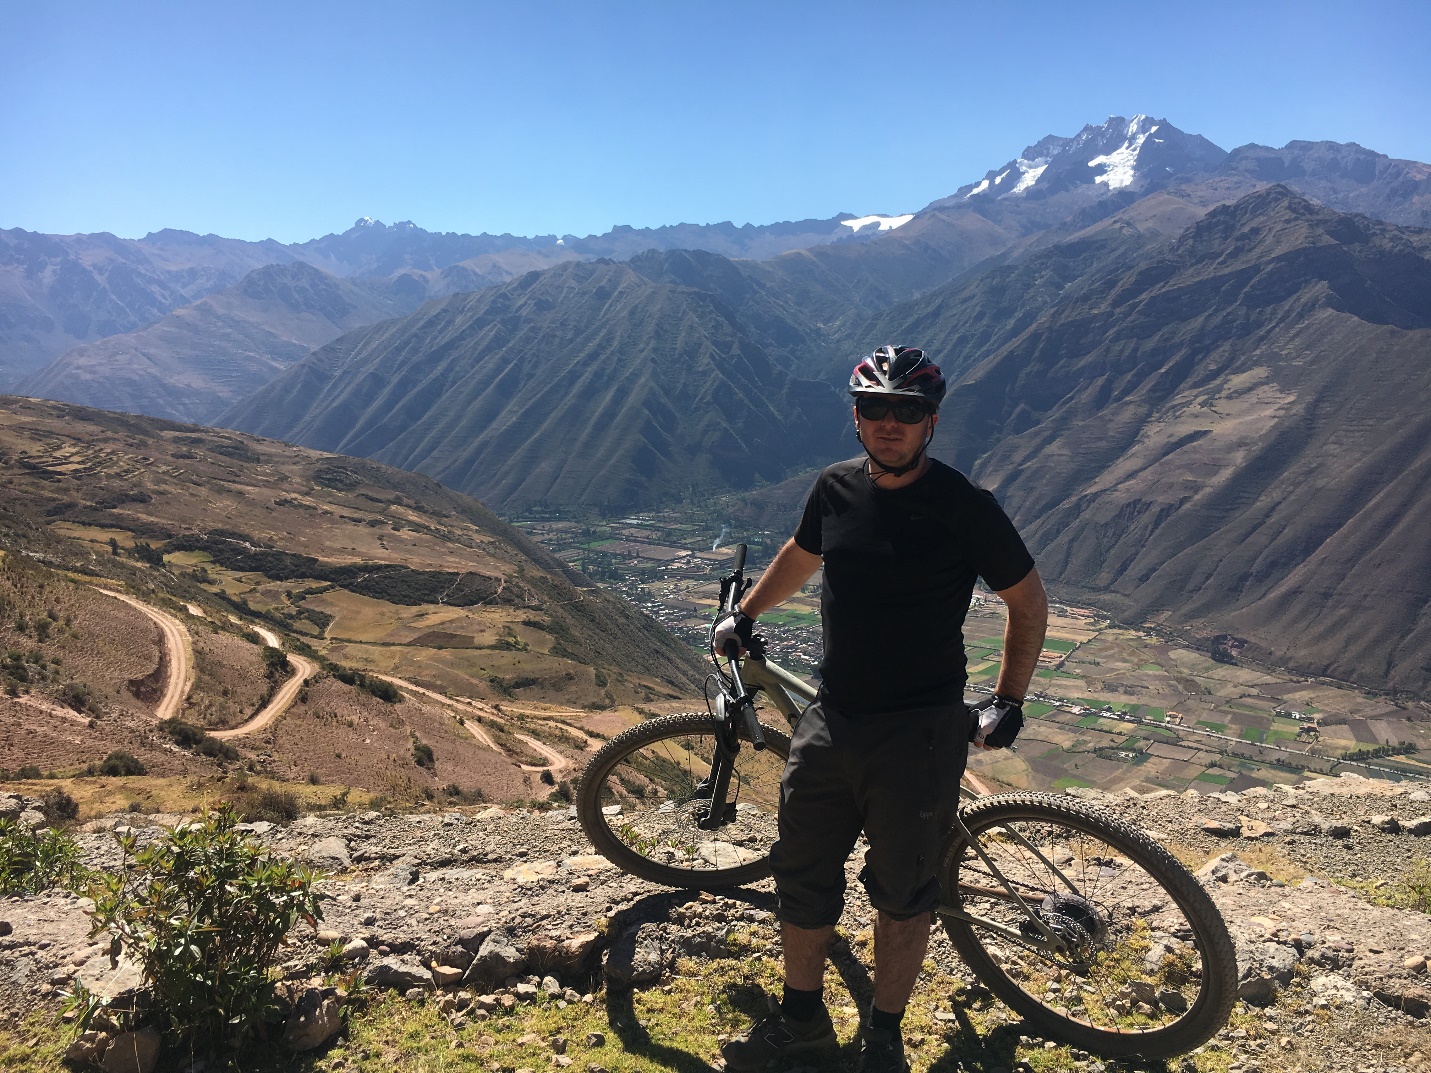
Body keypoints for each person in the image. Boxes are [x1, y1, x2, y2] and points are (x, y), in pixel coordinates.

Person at [713, 345, 1048, 1073]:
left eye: (907, 410)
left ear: (931, 421)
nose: (889, 422)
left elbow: (1027, 600)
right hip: (832, 717)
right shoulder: (834, 488)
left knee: (903, 892)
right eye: (874, 408)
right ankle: (802, 1020)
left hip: (919, 732)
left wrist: (1008, 699)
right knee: (802, 873)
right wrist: (746, 612)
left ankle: (884, 1036)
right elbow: (803, 553)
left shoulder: (965, 507)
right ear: (856, 417)